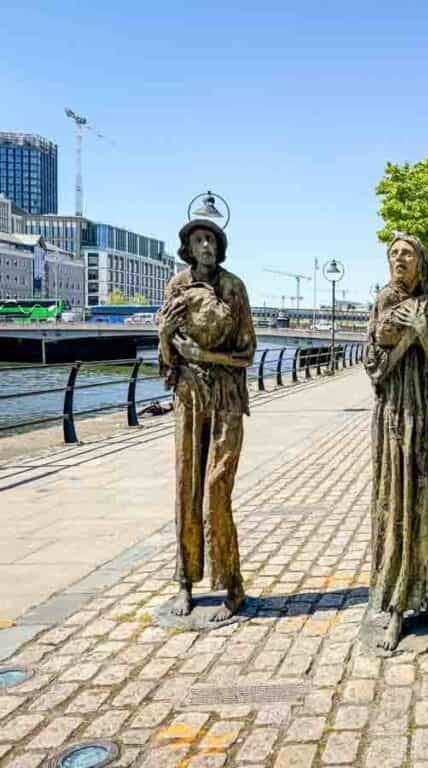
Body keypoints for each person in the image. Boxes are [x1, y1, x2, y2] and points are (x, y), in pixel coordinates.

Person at [363, 234, 428, 652]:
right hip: (396, 418)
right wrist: (411, 338)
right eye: (394, 253)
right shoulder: (384, 301)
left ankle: (426, 595)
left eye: (407, 253)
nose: (399, 258)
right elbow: (377, 371)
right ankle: (396, 605)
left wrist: (426, 340)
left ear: (422, 260)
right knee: (398, 502)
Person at [157, 218, 255, 623]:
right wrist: (164, 336)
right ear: (188, 247)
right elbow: (169, 358)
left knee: (217, 488)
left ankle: (231, 583)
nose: (206, 246)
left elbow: (248, 353)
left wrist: (206, 357)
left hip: (227, 397)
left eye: (211, 239)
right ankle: (185, 581)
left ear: (219, 245)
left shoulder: (234, 287)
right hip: (189, 397)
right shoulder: (177, 287)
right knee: (187, 487)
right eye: (198, 240)